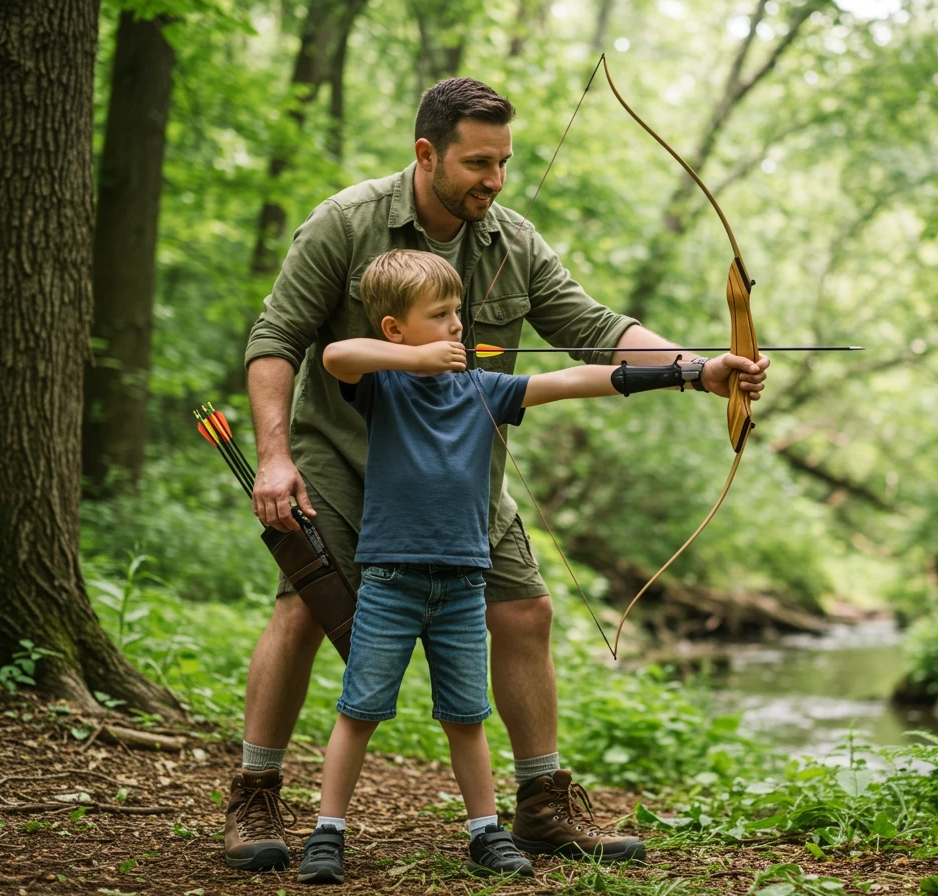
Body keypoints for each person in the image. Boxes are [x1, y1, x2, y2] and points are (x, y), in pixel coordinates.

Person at [231, 75, 769, 872]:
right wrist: (273, 457)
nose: (496, 180)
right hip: (342, 457)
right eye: (479, 163)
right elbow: (279, 337)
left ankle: (542, 805)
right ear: (427, 153)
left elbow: (592, 332)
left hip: (459, 470)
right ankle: (255, 793)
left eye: (505, 163)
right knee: (304, 610)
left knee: (525, 612)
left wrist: (697, 368)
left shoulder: (512, 239)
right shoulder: (347, 224)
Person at [297, 249, 693, 884]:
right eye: (442, 315)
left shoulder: (486, 388)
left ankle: (485, 832)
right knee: (361, 708)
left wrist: (689, 372)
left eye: (459, 313)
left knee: (466, 714)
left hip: (461, 583)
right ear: (394, 329)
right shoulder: (384, 385)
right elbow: (335, 356)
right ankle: (328, 832)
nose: (458, 326)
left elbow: (574, 380)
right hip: (390, 581)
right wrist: (415, 360)